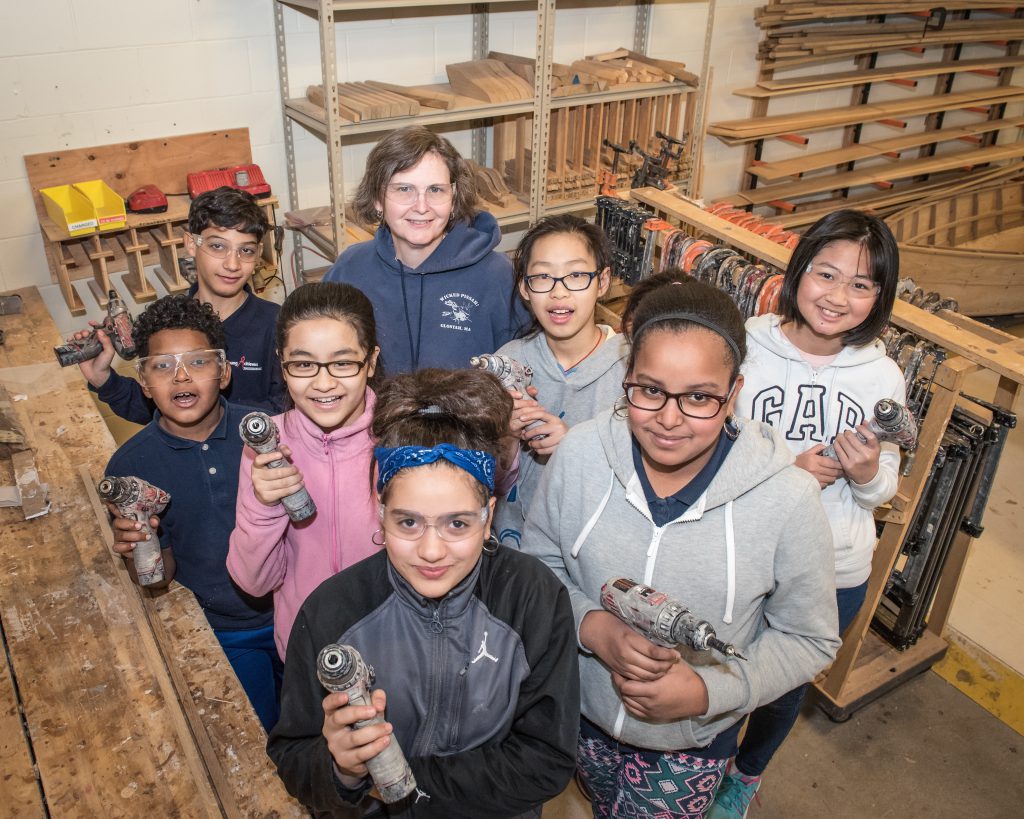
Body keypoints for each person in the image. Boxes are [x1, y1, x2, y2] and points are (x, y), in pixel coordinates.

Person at [522, 279, 840, 819]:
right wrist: (591, 627)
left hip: (691, 749)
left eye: (699, 397)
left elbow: (809, 638)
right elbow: (538, 563)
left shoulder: (786, 499)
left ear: (733, 392)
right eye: (649, 391)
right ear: (627, 382)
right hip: (577, 711)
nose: (669, 419)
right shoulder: (579, 455)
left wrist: (707, 694)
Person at [268, 368, 580, 818]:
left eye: (458, 523)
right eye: (408, 522)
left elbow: (546, 759)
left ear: (488, 515)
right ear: (381, 512)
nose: (431, 552)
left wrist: (403, 786)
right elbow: (294, 757)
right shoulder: (331, 611)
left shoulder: (533, 598)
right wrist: (343, 770)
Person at [712, 209, 903, 818]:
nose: (838, 296)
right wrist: (781, 470)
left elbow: (885, 490)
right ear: (799, 272)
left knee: (783, 687)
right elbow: (703, 453)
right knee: (719, 671)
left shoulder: (882, 374)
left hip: (834, 565)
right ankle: (703, 768)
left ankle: (744, 776)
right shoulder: (743, 346)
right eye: (826, 274)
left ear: (878, 297)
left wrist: (868, 473)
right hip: (742, 551)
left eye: (861, 285)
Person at [105, 294, 280, 729]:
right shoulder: (131, 467)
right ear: (144, 381)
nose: (181, 376)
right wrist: (136, 550)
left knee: (317, 731)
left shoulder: (265, 432)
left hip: (296, 613)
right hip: (222, 632)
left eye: (198, 362)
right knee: (260, 737)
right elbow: (158, 576)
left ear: (223, 373)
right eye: (162, 366)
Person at [228, 282, 382, 660]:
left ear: (372, 361)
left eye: (343, 362)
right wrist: (265, 506)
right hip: (306, 653)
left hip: (395, 648)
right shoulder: (266, 446)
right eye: (303, 364)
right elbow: (255, 582)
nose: (323, 382)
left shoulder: (402, 434)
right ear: (282, 364)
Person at [323, 125, 528, 373]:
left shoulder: (497, 276)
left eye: (435, 190)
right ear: (378, 198)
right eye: (404, 189)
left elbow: (523, 369)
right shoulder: (350, 270)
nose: (421, 207)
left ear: (454, 198)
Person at [79, 186, 285, 422]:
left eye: (246, 250)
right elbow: (155, 412)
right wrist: (103, 379)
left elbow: (287, 411)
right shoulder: (168, 323)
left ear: (258, 252)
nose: (233, 264)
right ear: (190, 243)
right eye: (218, 246)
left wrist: (212, 426)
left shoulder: (277, 325)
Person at [493, 215, 627, 548]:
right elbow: (480, 476)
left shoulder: (633, 369)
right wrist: (505, 435)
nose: (559, 292)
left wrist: (576, 446)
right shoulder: (507, 362)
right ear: (525, 287)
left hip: (598, 549)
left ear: (603, 281)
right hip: (515, 546)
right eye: (542, 277)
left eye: (577, 275)